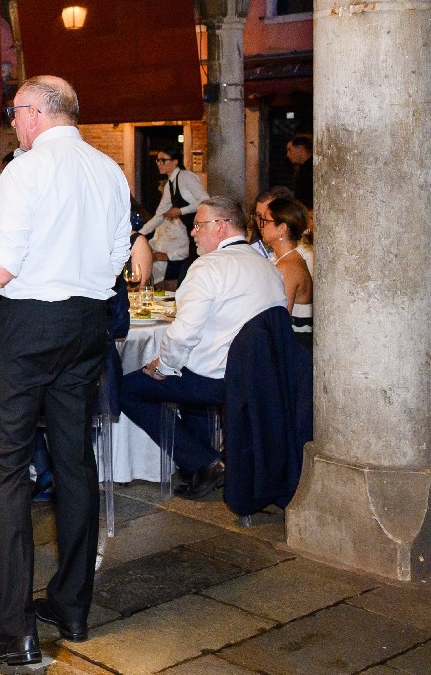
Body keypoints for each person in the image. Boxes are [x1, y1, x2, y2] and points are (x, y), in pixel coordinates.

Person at [0, 75, 130, 668]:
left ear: (39, 112)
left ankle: (16, 632)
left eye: (15, 111)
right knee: (74, 458)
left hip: (29, 328)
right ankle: (72, 604)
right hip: (88, 325)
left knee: (5, 468)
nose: (12, 122)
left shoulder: (25, 171)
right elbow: (120, 254)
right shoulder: (110, 171)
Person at [118, 197, 285, 497]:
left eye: (197, 226)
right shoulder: (267, 266)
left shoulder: (208, 268)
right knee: (186, 377)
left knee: (125, 389)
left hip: (218, 380)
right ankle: (201, 464)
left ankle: (205, 462)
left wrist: (162, 366)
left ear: (220, 227)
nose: (192, 233)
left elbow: (182, 335)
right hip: (260, 379)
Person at [259, 197, 313, 337]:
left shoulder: (288, 266)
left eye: (265, 221)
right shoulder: (288, 260)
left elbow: (280, 317)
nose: (261, 225)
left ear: (282, 228)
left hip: (295, 342)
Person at [139, 149, 208, 247]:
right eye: (157, 160)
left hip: (199, 227)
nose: (159, 163)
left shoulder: (186, 176)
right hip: (188, 230)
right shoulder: (169, 185)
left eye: (162, 160)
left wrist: (181, 211)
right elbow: (160, 215)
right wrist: (139, 234)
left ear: (175, 162)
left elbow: (205, 200)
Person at [285, 135, 314, 210]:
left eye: (289, 150)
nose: (287, 155)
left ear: (300, 149)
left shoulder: (312, 168)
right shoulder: (303, 168)